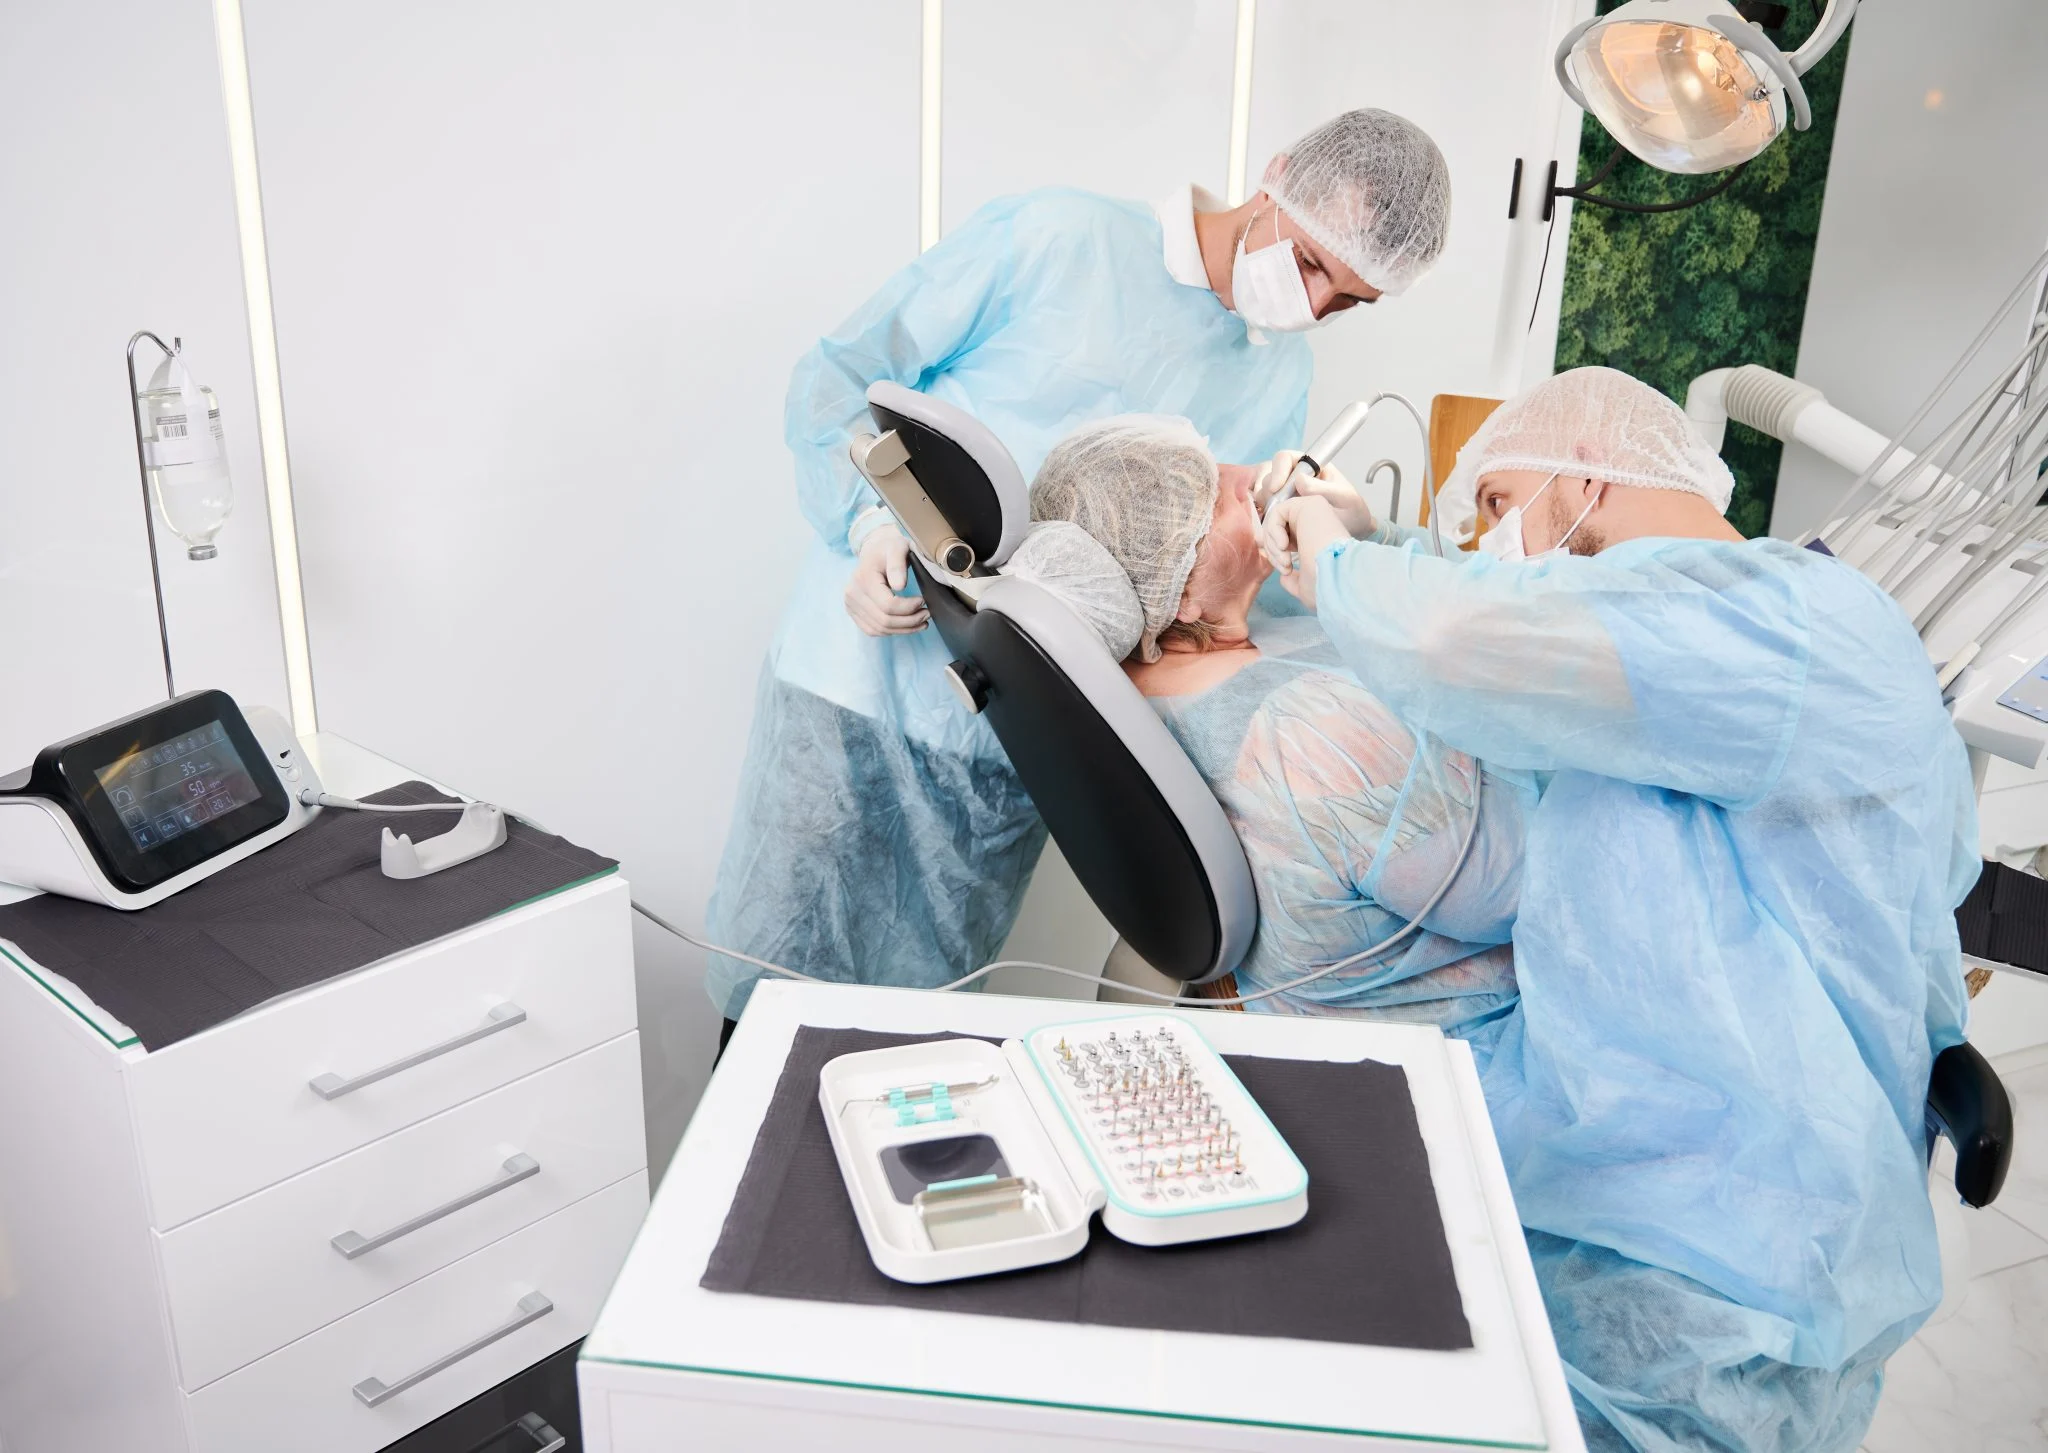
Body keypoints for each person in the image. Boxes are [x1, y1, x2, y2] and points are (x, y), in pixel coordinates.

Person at [1260, 366, 1980, 1453]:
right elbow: (1525, 626)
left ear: (1586, 473)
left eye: (1497, 505)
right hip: (1641, 1155)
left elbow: (1469, 639)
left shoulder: (1790, 621)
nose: (1492, 543)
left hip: (1732, 1230)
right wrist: (1386, 547)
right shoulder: (1693, 624)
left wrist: (1334, 560)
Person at [706, 110, 1455, 1025]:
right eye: (1308, 263)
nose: (1312, 305)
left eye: (1348, 300)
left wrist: (1333, 541)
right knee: (769, 1016)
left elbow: (1196, 581)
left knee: (914, 1041)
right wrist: (869, 522)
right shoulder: (1059, 240)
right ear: (1279, 174)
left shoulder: (1277, 379)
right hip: (859, 685)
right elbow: (835, 388)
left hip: (1015, 734)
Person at [1026, 415, 1532, 1036]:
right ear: (1170, 596)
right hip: (1464, 1050)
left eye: (1210, 466)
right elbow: (1519, 892)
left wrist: (1372, 541)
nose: (1247, 476)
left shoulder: (1172, 653)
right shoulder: (1312, 736)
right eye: (1205, 495)